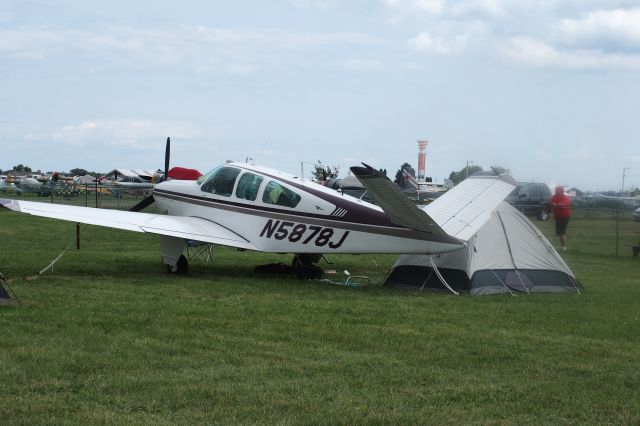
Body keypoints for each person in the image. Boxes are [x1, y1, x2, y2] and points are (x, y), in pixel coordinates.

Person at [551, 186, 571, 251]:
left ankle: (564, 247)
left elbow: (563, 204)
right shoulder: (554, 197)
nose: (556, 191)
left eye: (557, 190)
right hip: (557, 217)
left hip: (564, 217)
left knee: (562, 233)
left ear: (561, 191)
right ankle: (562, 246)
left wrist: (555, 204)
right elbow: (550, 203)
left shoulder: (565, 197)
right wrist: (552, 204)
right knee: (559, 233)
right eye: (556, 190)